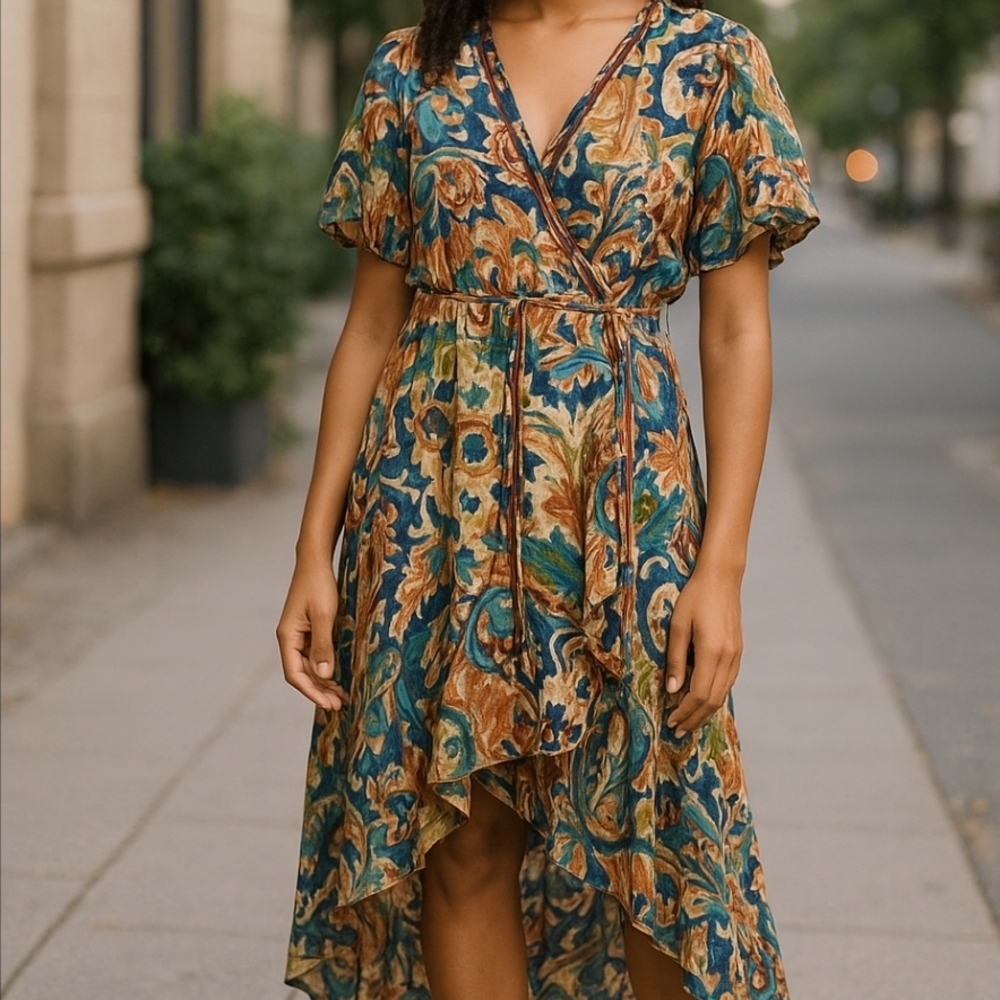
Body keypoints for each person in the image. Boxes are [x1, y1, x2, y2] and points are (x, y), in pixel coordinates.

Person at [276, 1, 819, 997]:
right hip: (429, 508)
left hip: (628, 510)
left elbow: (737, 331)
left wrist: (722, 568)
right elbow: (367, 326)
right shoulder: (411, 65)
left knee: (654, 843)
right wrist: (315, 548)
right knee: (457, 844)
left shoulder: (711, 61)